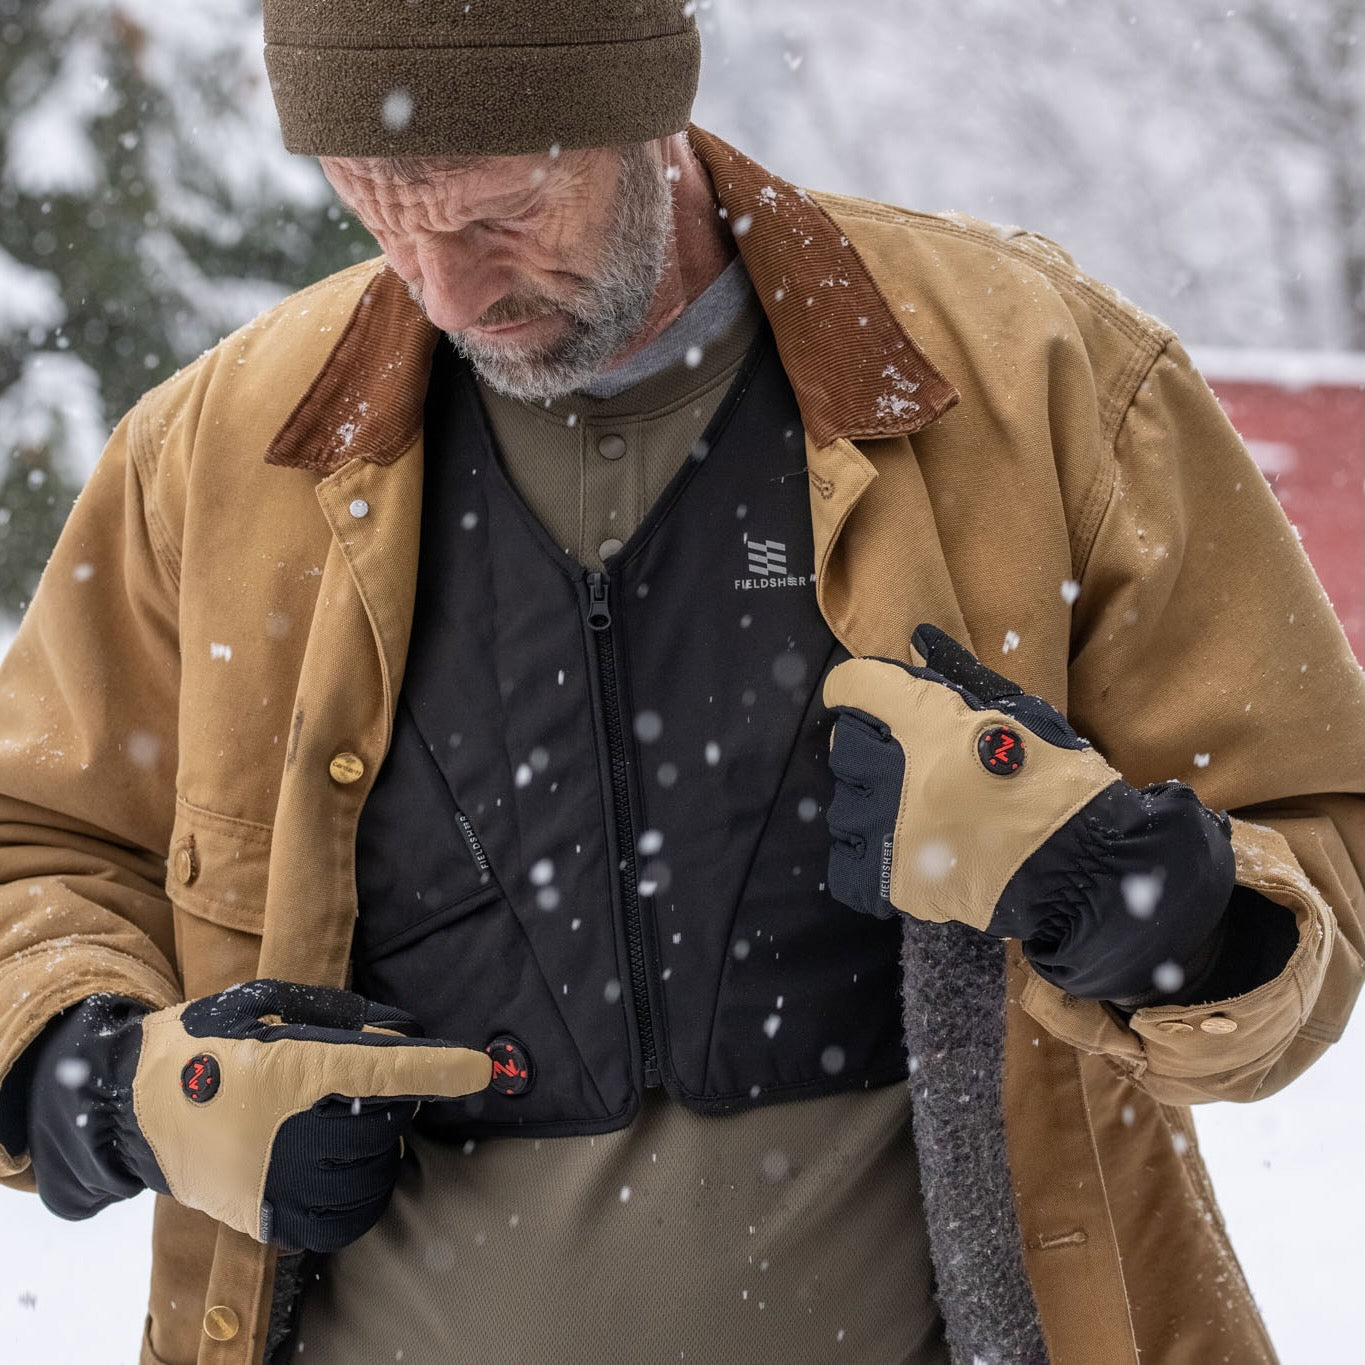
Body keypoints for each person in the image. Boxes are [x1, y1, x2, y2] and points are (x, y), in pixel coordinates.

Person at [0, 3, 1360, 1362]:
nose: (444, 288)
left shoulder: (1040, 378)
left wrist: (1105, 879)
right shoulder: (214, 463)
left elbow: (1316, 858)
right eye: (376, 209)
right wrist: (110, 1089)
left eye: (496, 211)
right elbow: (33, 844)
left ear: (647, 101)